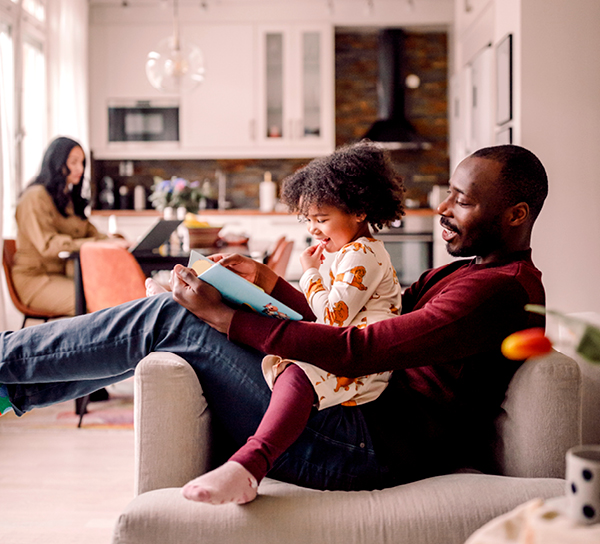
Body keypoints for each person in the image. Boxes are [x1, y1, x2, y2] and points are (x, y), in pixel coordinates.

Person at [0, 144, 548, 503]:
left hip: (361, 445)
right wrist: (269, 284)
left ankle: (5, 365)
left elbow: (360, 349)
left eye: (463, 201)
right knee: (184, 313)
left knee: (175, 315)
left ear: (515, 214)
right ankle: (7, 382)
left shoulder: (496, 293)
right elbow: (345, 318)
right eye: (449, 193)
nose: (446, 208)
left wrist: (226, 317)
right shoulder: (475, 274)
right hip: (353, 417)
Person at [179, 142, 405, 504]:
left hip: (362, 365)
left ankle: (250, 467)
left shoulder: (363, 253)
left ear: (360, 210)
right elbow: (327, 315)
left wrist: (311, 274)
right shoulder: (347, 252)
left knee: (296, 372)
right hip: (346, 348)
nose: (315, 230)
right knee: (274, 349)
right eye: (309, 221)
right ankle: (174, 300)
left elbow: (333, 315)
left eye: (322, 219)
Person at [11, 136, 108, 316]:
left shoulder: (67, 199)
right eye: (73, 162)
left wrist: (114, 241)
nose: (80, 169)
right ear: (57, 163)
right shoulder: (35, 197)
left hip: (64, 276)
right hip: (36, 281)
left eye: (82, 163)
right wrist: (94, 244)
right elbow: (48, 245)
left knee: (110, 292)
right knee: (94, 301)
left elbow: (90, 232)